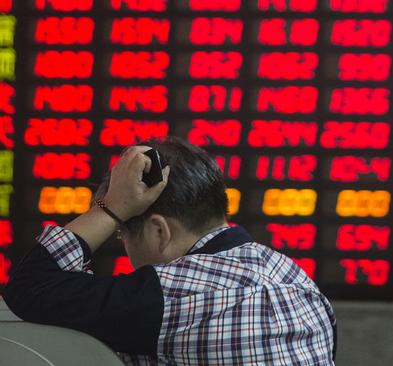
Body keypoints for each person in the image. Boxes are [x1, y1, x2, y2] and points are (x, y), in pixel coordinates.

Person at [3, 137, 337, 365]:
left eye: (122, 233)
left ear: (159, 231)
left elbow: (31, 286)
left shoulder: (175, 293)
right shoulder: (297, 280)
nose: (125, 246)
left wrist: (111, 208)